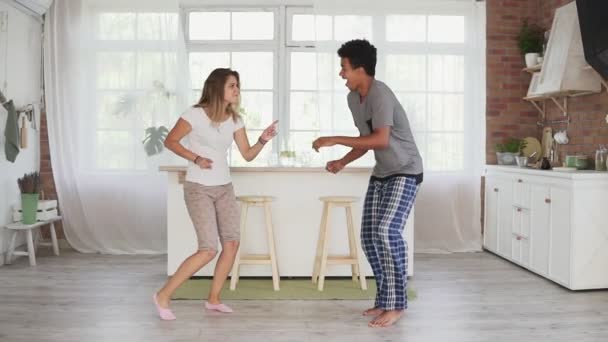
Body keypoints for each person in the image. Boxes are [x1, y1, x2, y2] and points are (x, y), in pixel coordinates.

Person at [312, 39, 423, 328]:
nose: (341, 74)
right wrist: (343, 161)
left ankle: (397, 304)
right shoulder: (353, 99)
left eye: (344, 68)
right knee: (370, 237)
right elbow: (366, 140)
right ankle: (384, 299)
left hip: (406, 170)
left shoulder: (381, 94)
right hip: (383, 171)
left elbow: (382, 139)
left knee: (387, 231)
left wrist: (334, 138)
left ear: (361, 69)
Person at [153, 68, 278, 320]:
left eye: (238, 86)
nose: (237, 90)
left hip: (224, 187)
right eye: (232, 85)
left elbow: (247, 154)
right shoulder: (195, 114)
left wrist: (263, 140)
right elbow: (171, 141)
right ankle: (163, 295)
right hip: (198, 188)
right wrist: (196, 157)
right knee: (208, 249)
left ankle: (213, 299)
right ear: (217, 87)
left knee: (231, 243)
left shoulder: (235, 120)